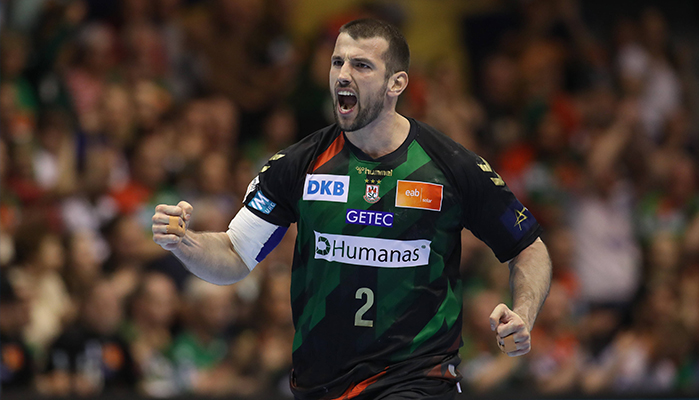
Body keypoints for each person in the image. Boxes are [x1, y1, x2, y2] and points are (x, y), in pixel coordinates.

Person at [152, 18, 552, 400]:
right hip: (322, 383)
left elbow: (528, 246)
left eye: (361, 65)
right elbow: (234, 253)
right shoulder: (298, 164)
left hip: (418, 379)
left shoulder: (451, 166)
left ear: (396, 83)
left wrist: (523, 314)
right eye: (337, 62)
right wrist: (184, 242)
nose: (343, 75)